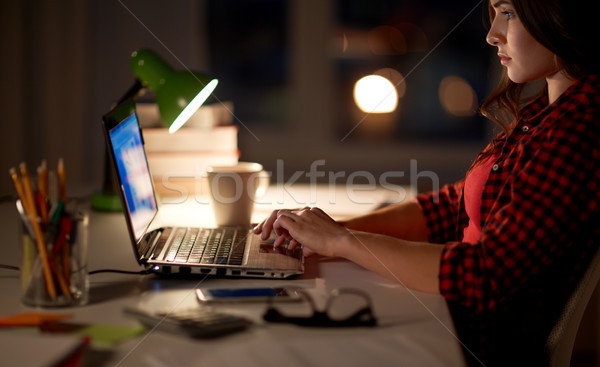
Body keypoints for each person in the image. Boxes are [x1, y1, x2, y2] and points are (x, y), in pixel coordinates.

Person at [254, 0, 599, 365]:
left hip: (477, 347)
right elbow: (450, 206)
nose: (492, 33)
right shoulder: (549, 113)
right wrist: (329, 235)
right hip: (456, 324)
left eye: (509, 13)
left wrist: (343, 241)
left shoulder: (579, 129)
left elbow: (484, 275)